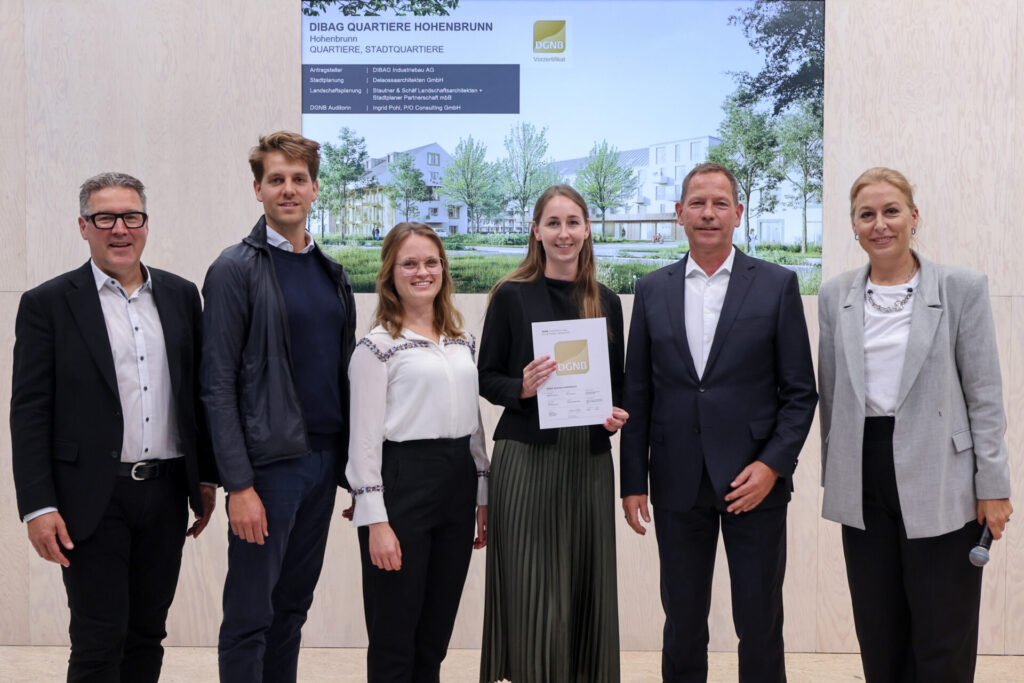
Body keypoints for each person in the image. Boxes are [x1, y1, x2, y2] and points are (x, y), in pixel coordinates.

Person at [10, 172, 217, 681]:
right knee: (99, 640)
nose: (119, 229)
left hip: (166, 493)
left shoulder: (180, 295)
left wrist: (206, 477)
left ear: (146, 224)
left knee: (147, 635)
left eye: (131, 217)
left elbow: (198, 394)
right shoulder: (47, 304)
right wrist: (38, 506)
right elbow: (30, 411)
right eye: (105, 218)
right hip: (90, 499)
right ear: (84, 226)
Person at [620, 162, 817, 683]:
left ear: (738, 213)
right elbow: (637, 392)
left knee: (759, 619)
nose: (709, 213)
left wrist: (772, 466)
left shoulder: (776, 284)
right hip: (676, 478)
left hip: (754, 481)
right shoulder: (651, 289)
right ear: (680, 213)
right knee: (683, 621)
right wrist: (632, 482)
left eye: (720, 203)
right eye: (698, 203)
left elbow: (800, 392)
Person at [817, 167, 1013, 682]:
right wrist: (835, 476)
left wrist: (993, 486)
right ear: (853, 226)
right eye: (867, 215)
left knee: (943, 629)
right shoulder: (835, 295)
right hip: (864, 473)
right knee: (879, 628)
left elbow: (985, 396)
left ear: (913, 217)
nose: (880, 224)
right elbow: (831, 392)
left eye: (891, 211)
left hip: (943, 475)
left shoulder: (960, 287)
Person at [201, 131, 357, 682]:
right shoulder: (233, 269)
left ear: (314, 189)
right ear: (258, 190)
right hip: (268, 470)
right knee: (251, 616)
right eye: (276, 180)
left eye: (298, 179)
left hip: (323, 464)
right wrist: (238, 485)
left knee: (291, 610)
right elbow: (217, 384)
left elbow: (344, 375)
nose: (288, 189)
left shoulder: (332, 272)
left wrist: (355, 473)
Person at [478, 184, 628, 683]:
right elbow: (486, 377)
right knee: (532, 589)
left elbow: (618, 387)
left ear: (587, 230)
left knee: (586, 584)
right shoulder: (510, 295)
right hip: (527, 459)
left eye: (573, 222)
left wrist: (615, 415)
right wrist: (520, 387)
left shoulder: (606, 302)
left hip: (588, 461)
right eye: (553, 223)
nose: (564, 233)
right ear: (536, 231)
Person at [346, 222, 489, 682]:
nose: (422, 272)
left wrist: (482, 495)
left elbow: (474, 425)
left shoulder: (462, 342)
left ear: (443, 269)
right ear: (390, 274)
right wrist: (376, 522)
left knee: (433, 636)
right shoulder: (376, 348)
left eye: (431, 262)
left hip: (456, 484)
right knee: (395, 635)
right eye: (409, 263)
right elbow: (363, 441)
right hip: (402, 485)